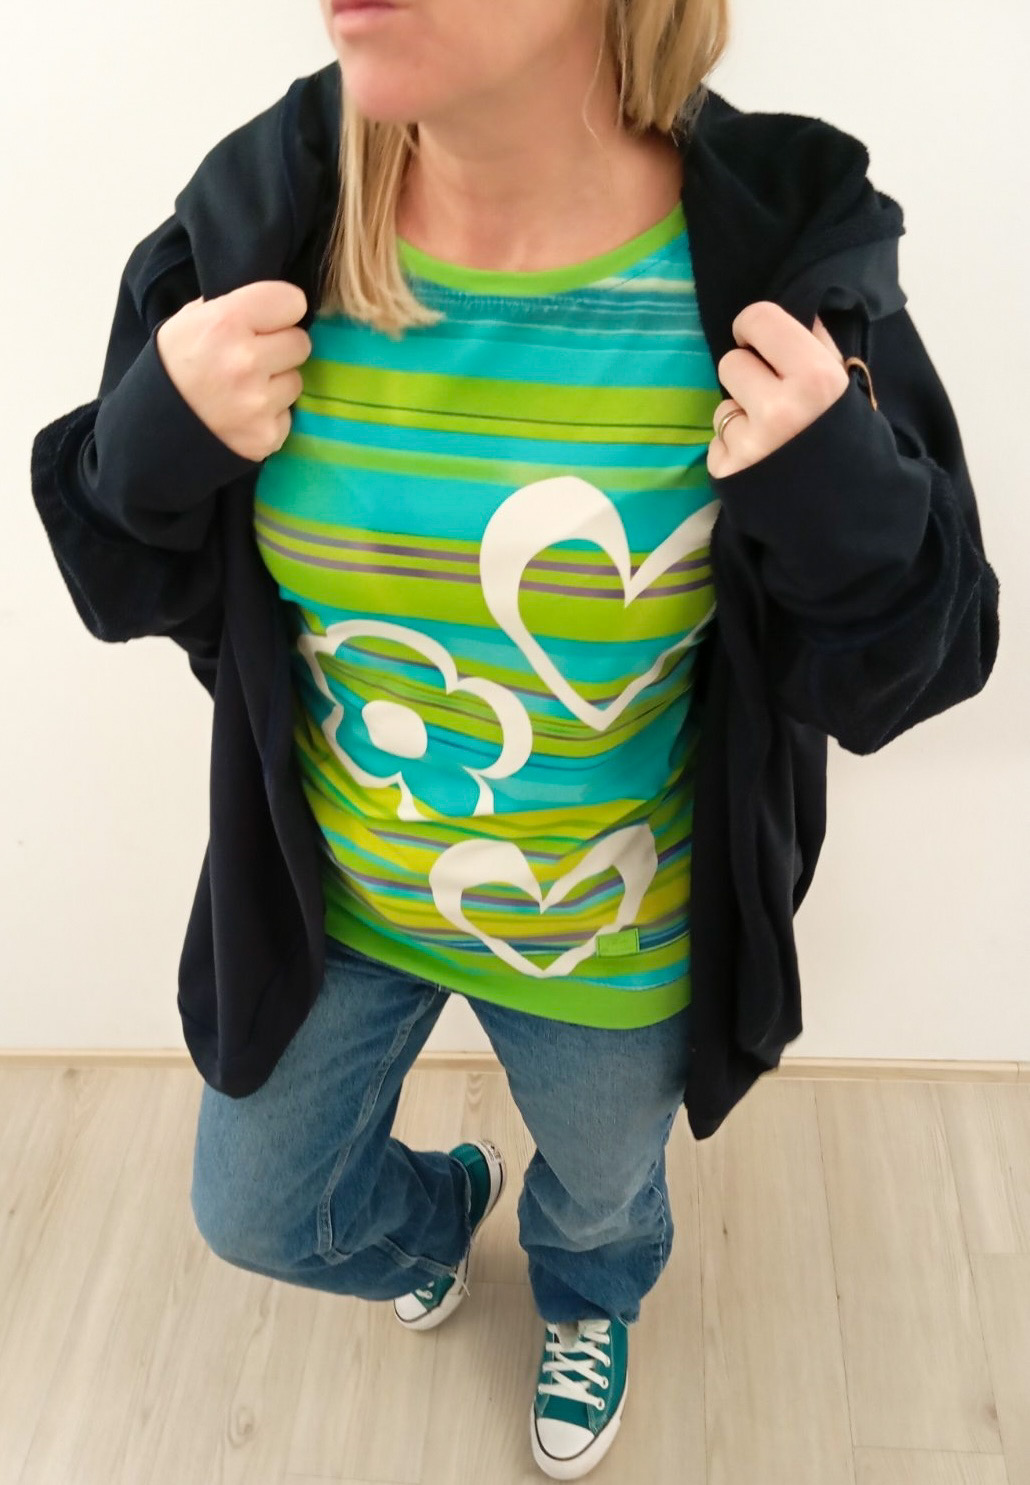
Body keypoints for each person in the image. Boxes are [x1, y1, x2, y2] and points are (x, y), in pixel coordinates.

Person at [28, 0, 999, 1478]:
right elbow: (123, 584)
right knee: (257, 1213)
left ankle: (589, 1296)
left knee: (603, 1201)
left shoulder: (775, 277)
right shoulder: (254, 230)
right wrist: (156, 434)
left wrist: (837, 492)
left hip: (611, 935)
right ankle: (437, 1215)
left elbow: (918, 669)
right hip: (335, 900)